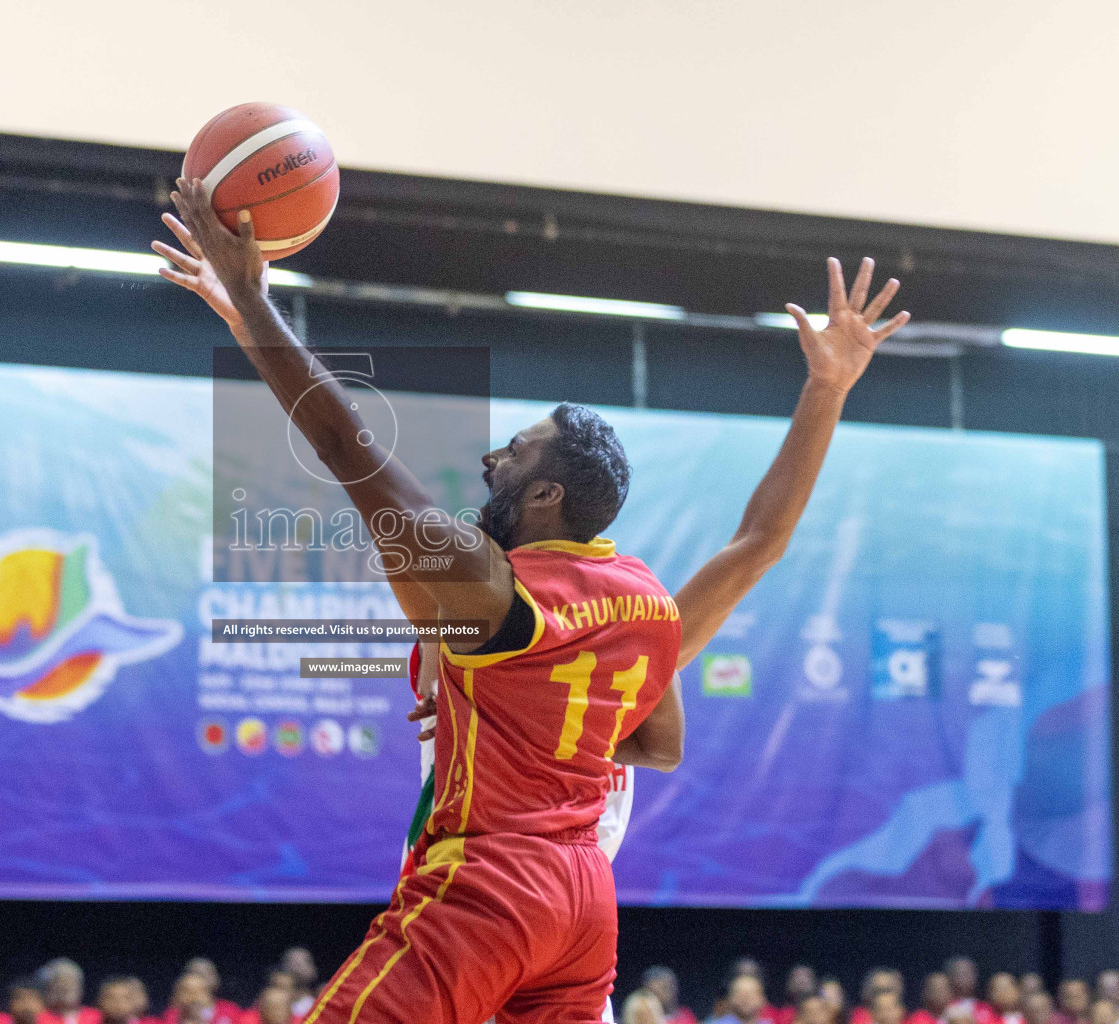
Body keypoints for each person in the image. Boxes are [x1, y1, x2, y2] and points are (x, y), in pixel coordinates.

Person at [154, 172, 910, 1024]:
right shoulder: (644, 604)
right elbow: (749, 563)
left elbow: (345, 442)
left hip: (492, 884)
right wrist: (827, 388)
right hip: (586, 902)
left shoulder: (488, 591)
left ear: (548, 496)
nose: (491, 462)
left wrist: (251, 303)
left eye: (515, 452)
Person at [167, 975, 242, 1024]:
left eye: (199, 992)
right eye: (187, 992)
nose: (193, 998)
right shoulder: (169, 1019)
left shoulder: (226, 1011)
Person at [946, 960, 996, 1024]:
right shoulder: (945, 1007)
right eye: (961, 973)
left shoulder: (988, 1008)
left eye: (969, 973)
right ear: (950, 977)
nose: (966, 977)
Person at [278, 951, 316, 1020]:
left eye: (304, 962)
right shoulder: (273, 1004)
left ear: (314, 969)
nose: (297, 967)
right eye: (293, 962)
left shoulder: (320, 1003)